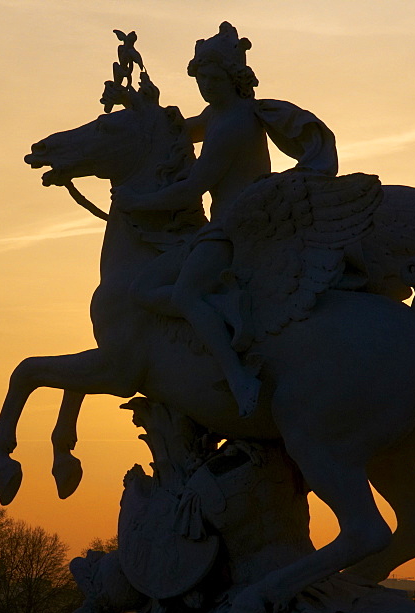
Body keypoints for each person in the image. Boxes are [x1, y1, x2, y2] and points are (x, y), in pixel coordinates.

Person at [114, 22, 337, 417]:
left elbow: (193, 187)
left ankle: (238, 377)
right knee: (142, 289)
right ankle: (225, 306)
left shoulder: (234, 123)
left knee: (184, 294)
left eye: (213, 78)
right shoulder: (217, 113)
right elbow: (181, 131)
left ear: (234, 79)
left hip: (235, 230)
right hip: (217, 230)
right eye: (200, 78)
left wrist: (137, 201)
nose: (205, 86)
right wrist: (145, 116)